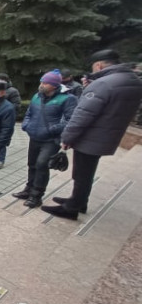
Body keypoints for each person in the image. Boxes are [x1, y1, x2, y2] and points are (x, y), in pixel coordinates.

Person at [42, 50, 142, 220]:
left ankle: (72, 208)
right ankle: (79, 200)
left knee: (82, 173)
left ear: (99, 65)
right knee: (86, 172)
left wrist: (67, 137)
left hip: (92, 134)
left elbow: (83, 114)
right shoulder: (132, 80)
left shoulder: (104, 84)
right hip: (107, 133)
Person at [12, 70, 77, 209]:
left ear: (54, 85)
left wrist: (51, 130)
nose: (41, 84)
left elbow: (70, 120)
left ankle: (36, 196)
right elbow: (29, 113)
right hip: (34, 136)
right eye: (41, 81)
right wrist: (25, 125)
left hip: (50, 140)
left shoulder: (67, 99)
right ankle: (28, 189)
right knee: (32, 163)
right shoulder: (37, 96)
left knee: (42, 164)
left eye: (45, 83)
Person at [0, 73, 21, 168]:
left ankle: (0, 160)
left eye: (2, 80)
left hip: (5, 120)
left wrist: (3, 109)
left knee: (2, 140)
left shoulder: (13, 91)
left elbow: (16, 105)